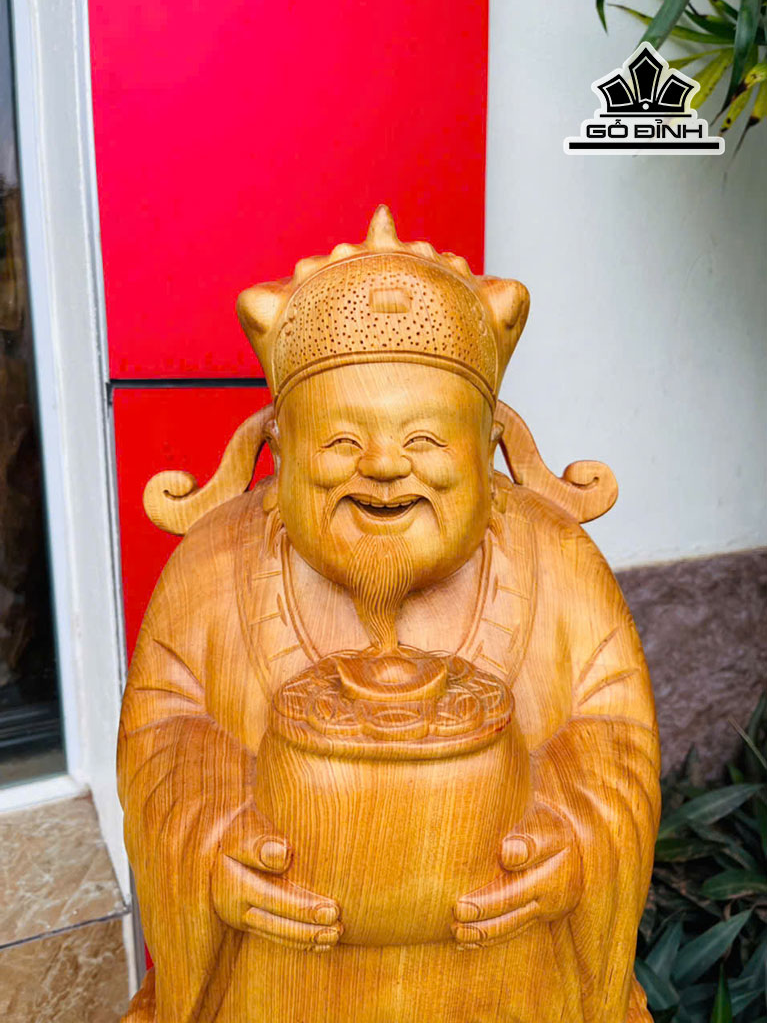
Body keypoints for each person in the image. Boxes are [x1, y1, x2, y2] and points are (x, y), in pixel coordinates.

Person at [119, 207, 660, 1023]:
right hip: (281, 985)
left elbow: (614, 735)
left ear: (488, 444)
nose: (381, 467)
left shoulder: (555, 557)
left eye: (424, 441)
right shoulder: (212, 563)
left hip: (505, 983)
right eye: (340, 442)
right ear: (279, 445)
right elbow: (162, 735)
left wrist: (575, 841)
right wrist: (210, 842)